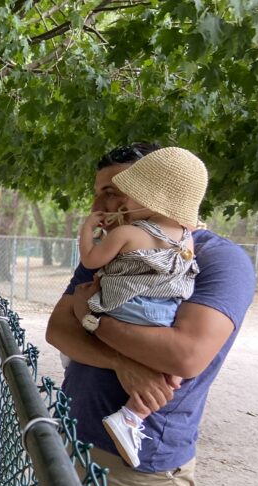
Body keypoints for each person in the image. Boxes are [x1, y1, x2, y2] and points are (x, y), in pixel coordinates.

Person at [45, 143, 255, 486]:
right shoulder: (118, 243)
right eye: (101, 193)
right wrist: (122, 360)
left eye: (119, 191)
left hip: (142, 459)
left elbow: (185, 353)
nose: (106, 204)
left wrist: (95, 319)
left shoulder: (218, 259)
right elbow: (58, 329)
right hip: (82, 437)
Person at [76, 147, 207, 468]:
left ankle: (129, 417)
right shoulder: (187, 241)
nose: (121, 204)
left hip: (122, 308)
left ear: (152, 199)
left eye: (125, 194)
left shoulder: (126, 234)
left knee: (164, 365)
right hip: (162, 317)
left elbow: (90, 260)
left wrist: (86, 231)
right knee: (171, 375)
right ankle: (132, 415)